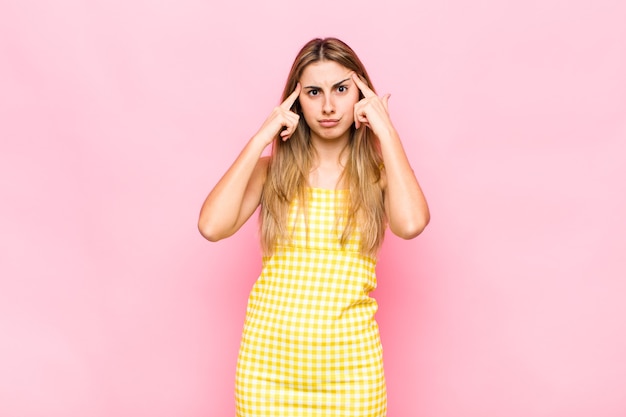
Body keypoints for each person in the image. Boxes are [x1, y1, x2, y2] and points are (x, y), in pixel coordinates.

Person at [198, 37, 429, 417]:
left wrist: (385, 131)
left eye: (341, 89)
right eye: (313, 92)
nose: (327, 106)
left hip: (352, 375)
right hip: (267, 371)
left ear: (361, 94)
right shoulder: (272, 172)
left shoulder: (379, 176)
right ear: (295, 101)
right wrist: (261, 137)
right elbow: (211, 226)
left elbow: (410, 224)